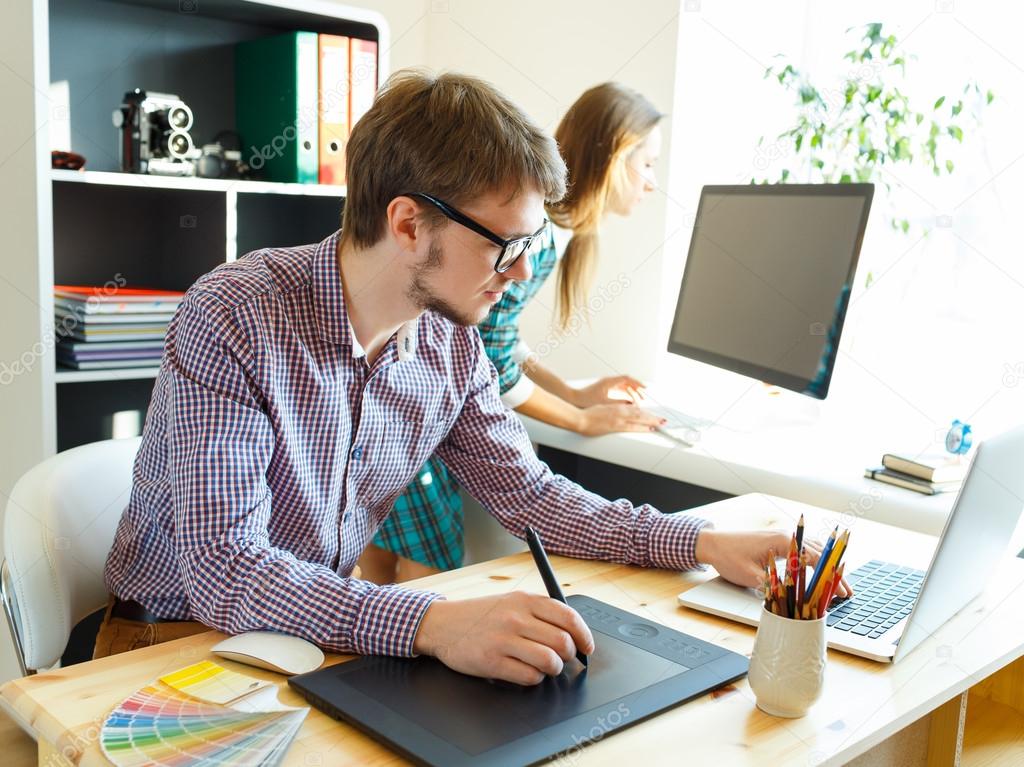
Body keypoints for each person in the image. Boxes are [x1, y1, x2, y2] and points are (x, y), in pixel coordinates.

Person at [97, 69, 846, 684]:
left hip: (306, 637)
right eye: (505, 243)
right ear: (408, 224)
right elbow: (228, 572)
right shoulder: (234, 315)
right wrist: (428, 619)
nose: (523, 270)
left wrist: (705, 541)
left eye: (533, 242)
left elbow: (533, 497)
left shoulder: (451, 347)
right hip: (170, 647)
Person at [362, 83, 670, 584]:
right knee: (430, 565)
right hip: (423, 410)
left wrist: (569, 390)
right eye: (649, 163)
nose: (653, 182)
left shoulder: (544, 236)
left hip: (408, 395)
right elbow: (495, 362)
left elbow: (499, 340)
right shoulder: (538, 238)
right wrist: (580, 420)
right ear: (615, 155)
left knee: (379, 560)